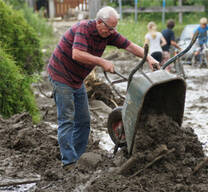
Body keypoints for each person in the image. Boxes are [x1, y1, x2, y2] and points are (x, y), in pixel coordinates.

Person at [47, 6, 159, 169]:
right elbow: (77, 54)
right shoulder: (83, 28)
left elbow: (129, 46)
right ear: (99, 22)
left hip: (77, 80)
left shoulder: (108, 32)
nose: (112, 32)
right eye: (109, 28)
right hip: (61, 75)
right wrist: (102, 62)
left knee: (84, 121)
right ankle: (68, 162)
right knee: (67, 119)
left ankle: (77, 158)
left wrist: (148, 58)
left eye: (114, 28)